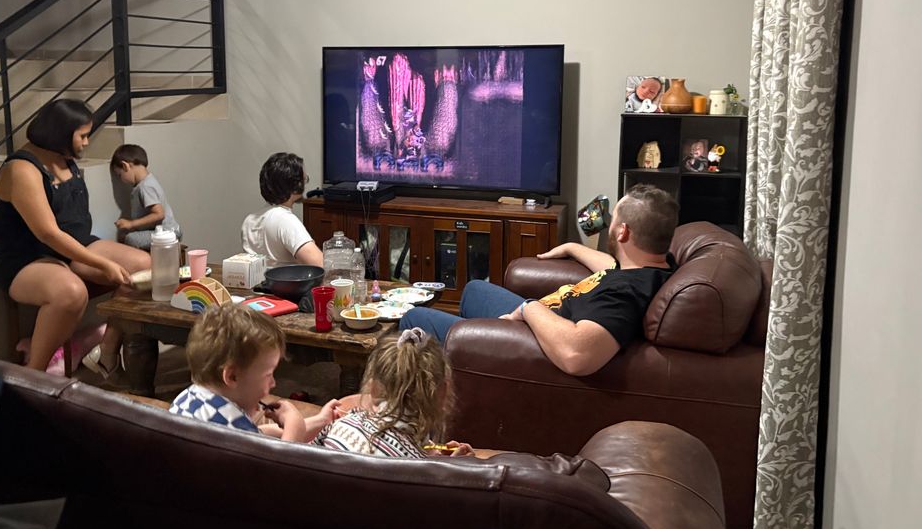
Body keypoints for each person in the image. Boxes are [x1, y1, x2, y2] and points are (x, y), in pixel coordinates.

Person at [400, 184, 679, 377]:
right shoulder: (652, 268)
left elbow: (576, 354)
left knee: (414, 317)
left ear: (623, 233)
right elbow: (613, 266)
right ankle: (466, 373)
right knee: (473, 290)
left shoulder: (626, 293)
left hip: (532, 342)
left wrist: (528, 309)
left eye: (613, 219)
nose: (609, 223)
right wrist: (572, 247)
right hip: (541, 321)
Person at [0, 99, 150, 375]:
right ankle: (35, 378)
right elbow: (47, 233)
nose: (87, 142)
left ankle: (106, 352)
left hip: (73, 244)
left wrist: (96, 261)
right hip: (24, 256)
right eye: (83, 135)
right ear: (61, 134)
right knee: (71, 293)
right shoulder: (22, 170)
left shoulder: (65, 159)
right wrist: (102, 264)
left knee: (146, 268)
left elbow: (70, 229)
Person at [170, 303, 341, 442]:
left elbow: (254, 433)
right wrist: (294, 431)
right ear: (232, 376)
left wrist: (320, 421)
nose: (273, 383)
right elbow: (278, 473)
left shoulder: (189, 397)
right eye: (268, 375)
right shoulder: (232, 435)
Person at [313, 327, 473, 458]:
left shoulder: (340, 426)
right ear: (443, 392)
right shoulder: (427, 473)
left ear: (373, 387)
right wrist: (456, 467)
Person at [241, 152, 323, 268]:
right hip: (285, 285)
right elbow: (320, 265)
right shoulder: (285, 220)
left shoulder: (249, 221)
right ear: (295, 185)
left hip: (257, 285)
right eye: (304, 180)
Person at [110, 144, 182, 249]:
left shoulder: (146, 187)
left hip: (168, 232)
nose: (121, 180)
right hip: (163, 231)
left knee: (130, 239)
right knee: (126, 236)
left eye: (120, 175)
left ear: (126, 166)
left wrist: (131, 224)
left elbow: (159, 214)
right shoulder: (146, 183)